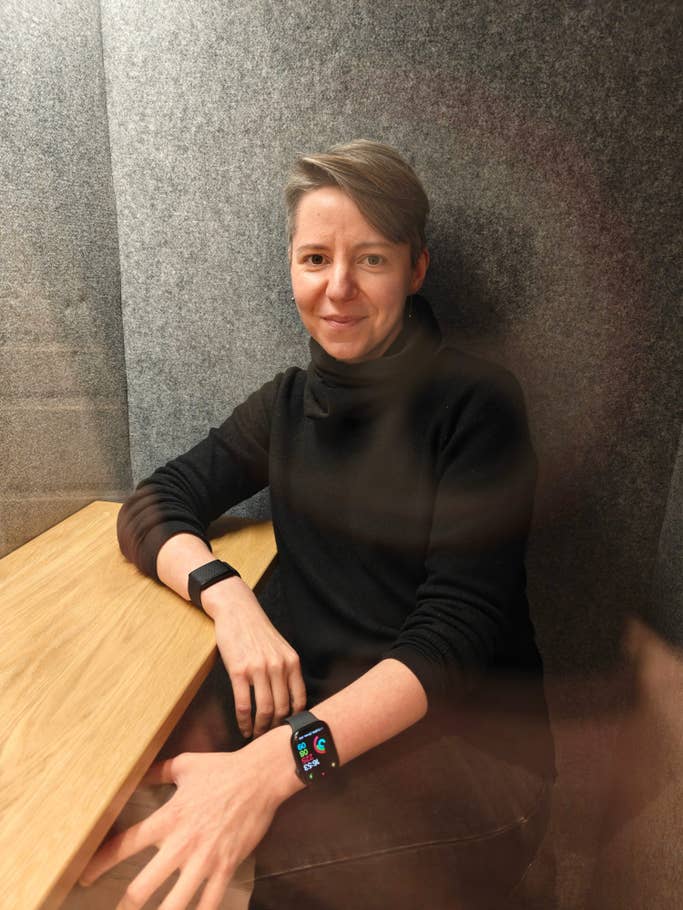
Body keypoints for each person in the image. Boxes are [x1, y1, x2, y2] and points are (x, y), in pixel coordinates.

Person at [79, 140, 555, 909]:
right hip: (329, 723)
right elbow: (157, 500)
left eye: (369, 260)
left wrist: (272, 767)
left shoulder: (476, 403)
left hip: (473, 748)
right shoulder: (287, 404)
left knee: (284, 852)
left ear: (415, 269)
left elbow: (449, 642)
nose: (337, 289)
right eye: (313, 259)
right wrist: (228, 598)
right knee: (113, 775)